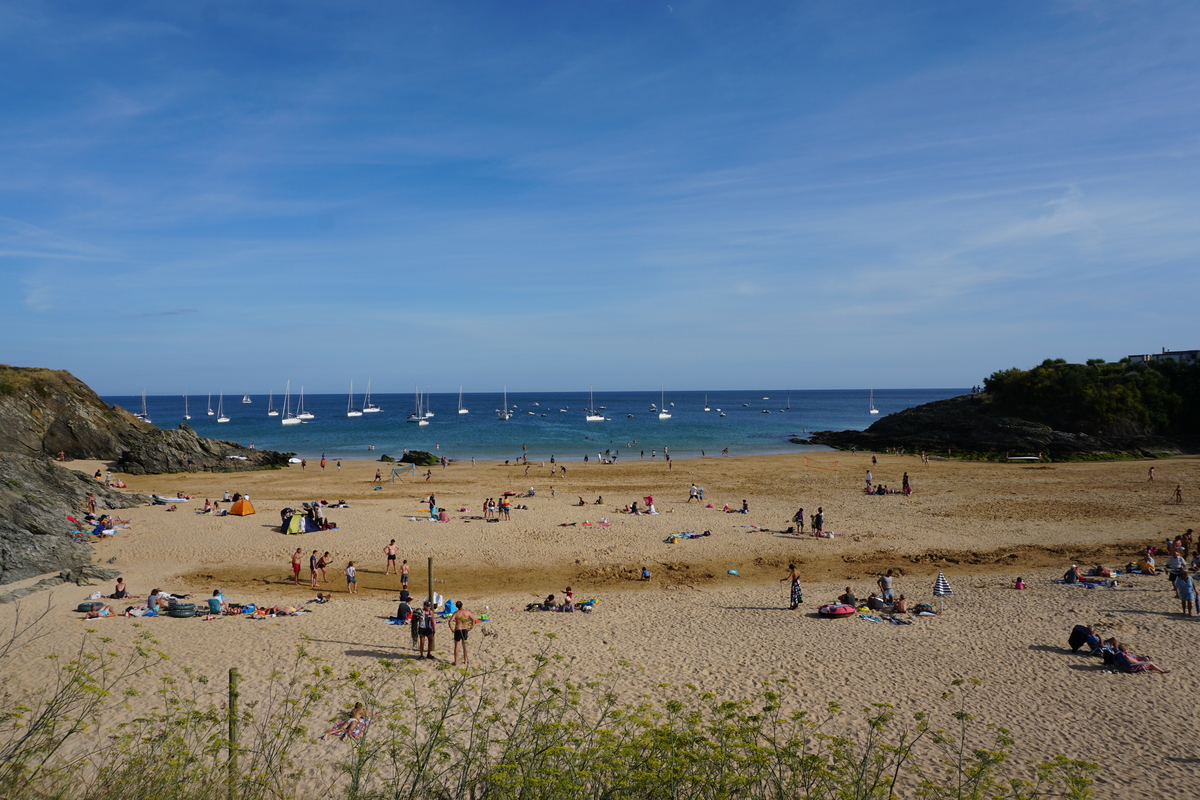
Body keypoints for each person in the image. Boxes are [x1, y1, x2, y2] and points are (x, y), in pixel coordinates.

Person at [451, 601, 478, 666]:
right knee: (465, 646)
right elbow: (473, 620)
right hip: (465, 629)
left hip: (458, 629)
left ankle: (456, 661)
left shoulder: (456, 613)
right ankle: (465, 661)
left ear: (456, 606)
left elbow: (450, 621)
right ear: (462, 605)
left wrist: (451, 629)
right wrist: (471, 627)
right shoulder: (467, 612)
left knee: (457, 646)